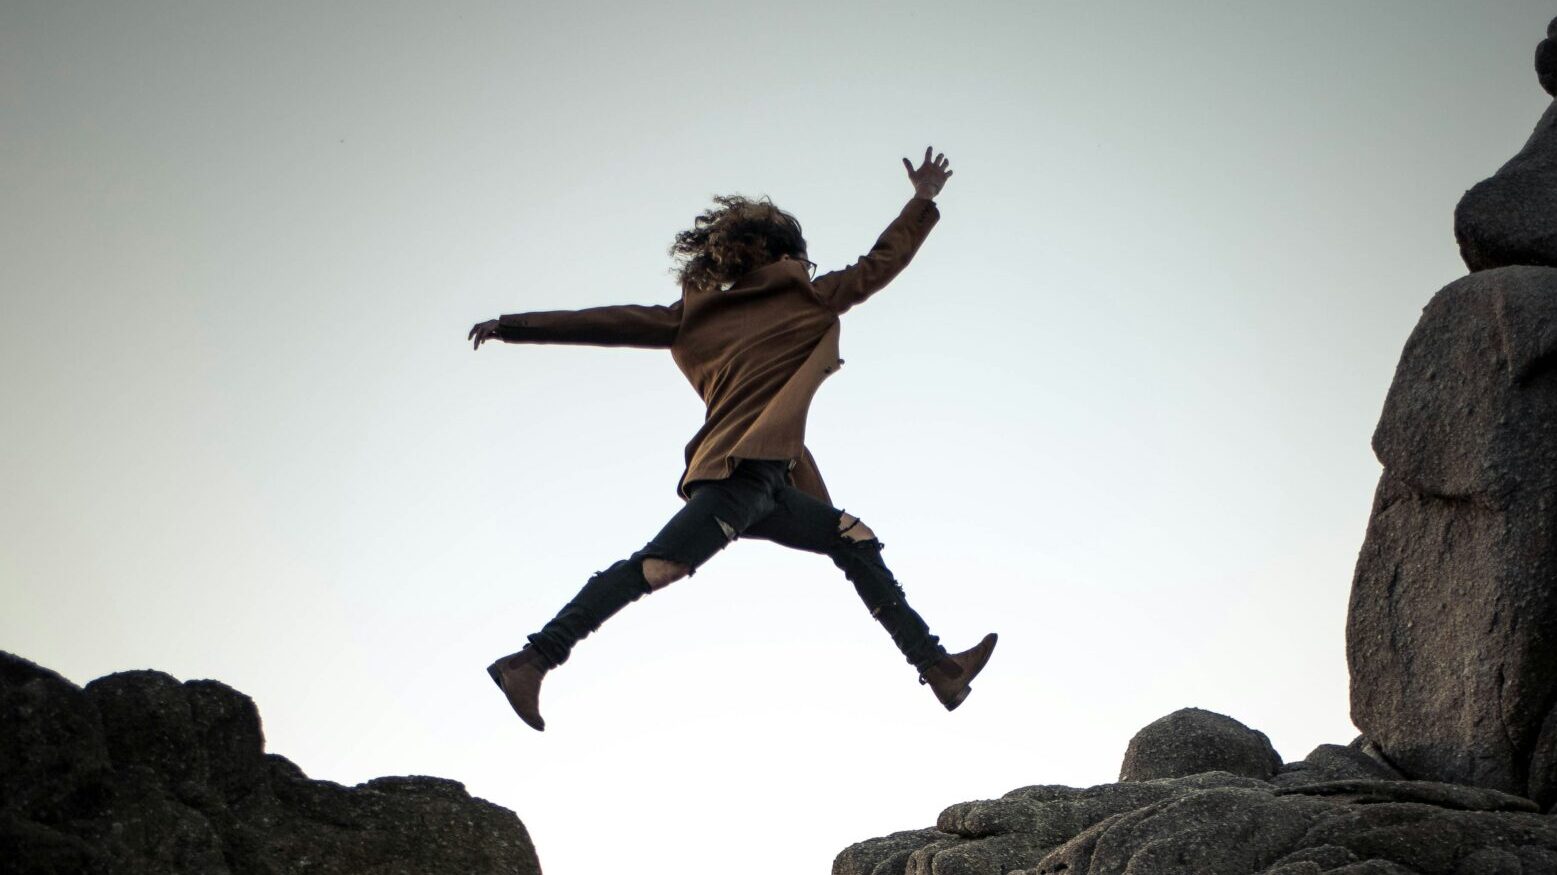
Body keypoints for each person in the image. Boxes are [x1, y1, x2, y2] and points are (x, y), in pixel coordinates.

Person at [469, 147, 995, 731]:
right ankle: (533, 660)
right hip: (737, 476)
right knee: (658, 566)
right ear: (783, 255)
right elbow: (881, 263)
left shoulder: (694, 316)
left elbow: (604, 321)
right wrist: (922, 199)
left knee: (853, 539)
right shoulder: (806, 297)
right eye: (801, 256)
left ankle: (938, 668)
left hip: (771, 483)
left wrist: (512, 326)